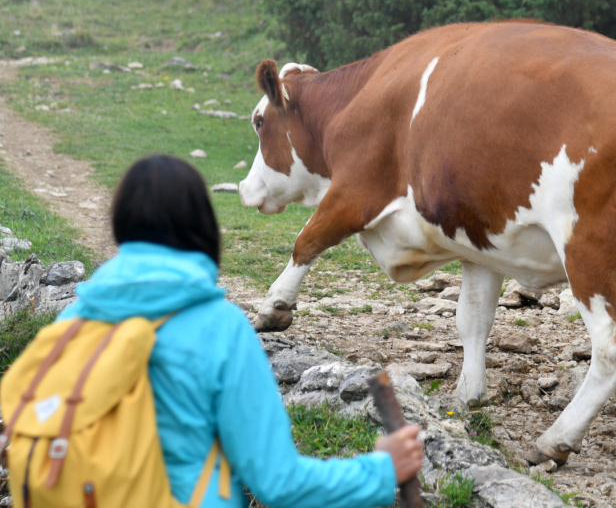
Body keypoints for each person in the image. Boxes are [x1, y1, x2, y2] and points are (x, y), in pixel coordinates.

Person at [58, 155, 424, 508]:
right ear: (203, 226)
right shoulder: (220, 330)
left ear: (120, 227)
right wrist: (379, 471)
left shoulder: (71, 323)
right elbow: (279, 482)